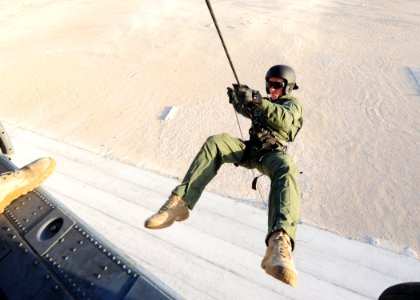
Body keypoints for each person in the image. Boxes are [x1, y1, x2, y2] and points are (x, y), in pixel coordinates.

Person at [144, 65, 303, 287]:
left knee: (286, 169)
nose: (272, 88)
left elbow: (284, 120)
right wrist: (239, 100)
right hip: (250, 150)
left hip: (272, 154)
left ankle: (279, 244)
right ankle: (179, 204)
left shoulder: (292, 105)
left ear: (288, 86)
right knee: (216, 142)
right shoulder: (266, 103)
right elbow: (250, 110)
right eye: (270, 84)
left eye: (277, 85)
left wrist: (258, 100)